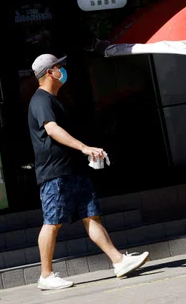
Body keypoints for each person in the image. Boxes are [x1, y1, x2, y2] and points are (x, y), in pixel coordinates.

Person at [28, 54, 149, 289]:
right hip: (56, 173)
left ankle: (119, 261)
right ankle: (45, 275)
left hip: (73, 170)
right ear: (49, 72)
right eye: (58, 66)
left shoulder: (54, 99)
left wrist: (86, 153)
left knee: (91, 215)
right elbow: (51, 129)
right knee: (52, 222)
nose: (62, 69)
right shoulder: (41, 100)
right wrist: (84, 147)